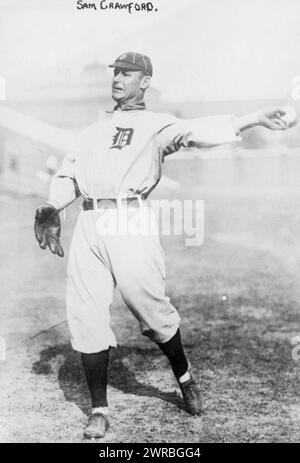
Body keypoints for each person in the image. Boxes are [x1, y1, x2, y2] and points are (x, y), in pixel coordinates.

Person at [34, 52, 293, 439]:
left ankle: (184, 376)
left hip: (130, 219)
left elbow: (195, 131)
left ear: (145, 82)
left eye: (128, 73)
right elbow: (69, 174)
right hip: (88, 222)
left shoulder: (157, 125)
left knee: (151, 310)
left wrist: (251, 118)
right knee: (85, 315)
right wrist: (53, 206)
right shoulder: (92, 131)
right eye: (116, 72)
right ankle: (99, 410)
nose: (118, 78)